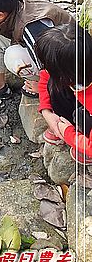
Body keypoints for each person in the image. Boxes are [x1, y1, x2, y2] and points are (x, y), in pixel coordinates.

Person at [34, 23, 92, 165]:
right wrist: (47, 112)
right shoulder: (78, 64)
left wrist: (66, 132)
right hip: (80, 90)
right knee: (53, 85)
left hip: (87, 107)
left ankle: (82, 135)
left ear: (65, 74)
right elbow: (45, 77)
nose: (45, 69)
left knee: (83, 117)